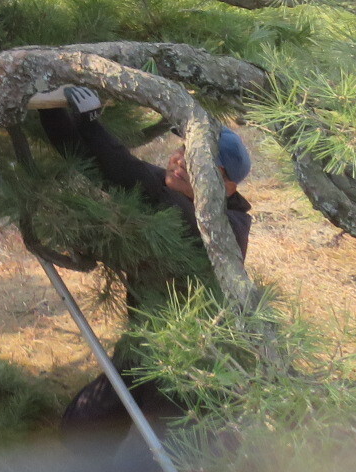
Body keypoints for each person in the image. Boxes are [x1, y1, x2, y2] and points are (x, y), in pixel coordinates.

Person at [29, 84, 254, 455]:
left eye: (196, 159)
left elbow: (124, 168)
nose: (180, 160)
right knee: (82, 429)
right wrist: (52, 111)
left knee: (163, 454)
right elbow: (97, 161)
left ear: (227, 185)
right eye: (183, 150)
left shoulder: (225, 228)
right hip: (142, 343)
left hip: (191, 359)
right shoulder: (176, 191)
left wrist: (93, 125)